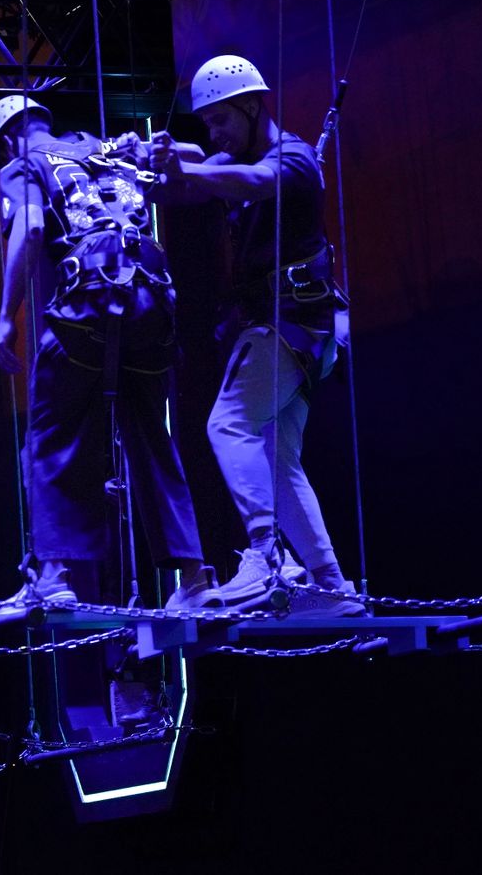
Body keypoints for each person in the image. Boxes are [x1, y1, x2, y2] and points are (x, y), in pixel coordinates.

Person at [145, 55, 364, 616]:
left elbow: (250, 181)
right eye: (206, 124)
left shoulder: (291, 160)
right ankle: (331, 587)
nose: (214, 133)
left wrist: (185, 170)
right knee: (277, 457)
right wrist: (152, 161)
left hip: (289, 322)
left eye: (219, 120)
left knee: (228, 424)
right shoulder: (237, 156)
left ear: (248, 106)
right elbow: (195, 175)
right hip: (301, 331)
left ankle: (266, 556)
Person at [0, 94, 214, 611]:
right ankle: (196, 577)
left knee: (48, 437)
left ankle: (53, 575)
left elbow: (32, 228)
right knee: (152, 436)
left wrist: (7, 317)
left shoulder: (23, 163)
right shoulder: (110, 148)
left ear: (7, 142)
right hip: (153, 303)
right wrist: (158, 147)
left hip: (87, 305)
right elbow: (194, 159)